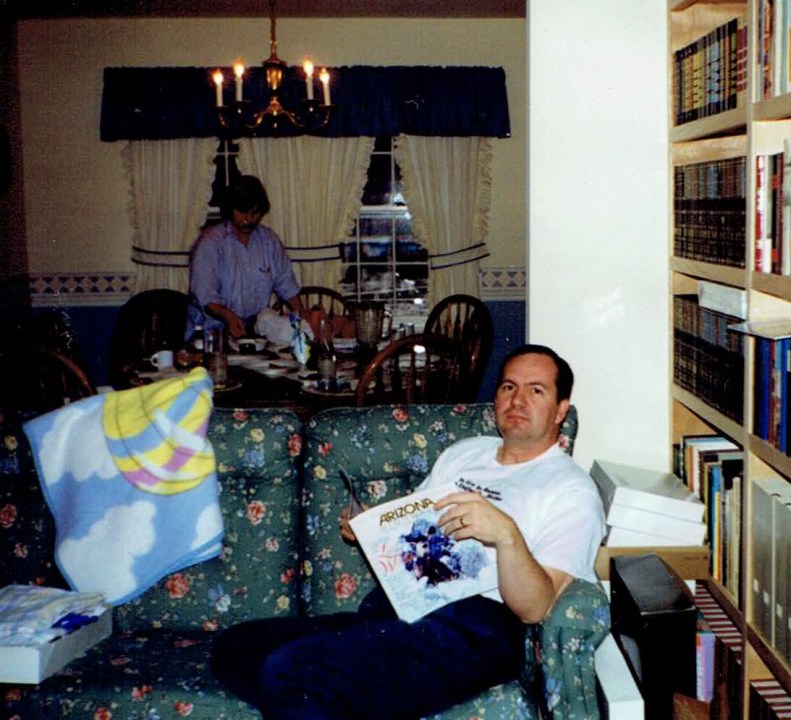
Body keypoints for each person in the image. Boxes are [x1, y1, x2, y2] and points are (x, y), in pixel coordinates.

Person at [210, 344, 606, 720]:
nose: (517, 400)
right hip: (404, 608)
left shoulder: (570, 489)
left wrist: (506, 536)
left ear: (559, 410)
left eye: (536, 391)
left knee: (290, 671)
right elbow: (411, 530)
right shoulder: (466, 453)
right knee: (237, 648)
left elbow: (536, 607)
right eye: (508, 386)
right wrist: (370, 526)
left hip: (478, 627)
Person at [187, 175, 302, 339]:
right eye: (242, 212)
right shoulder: (211, 243)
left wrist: (304, 320)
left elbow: (288, 287)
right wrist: (228, 316)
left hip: (252, 333)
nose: (248, 219)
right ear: (230, 209)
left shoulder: (269, 242)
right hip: (211, 333)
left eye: (254, 213)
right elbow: (205, 296)